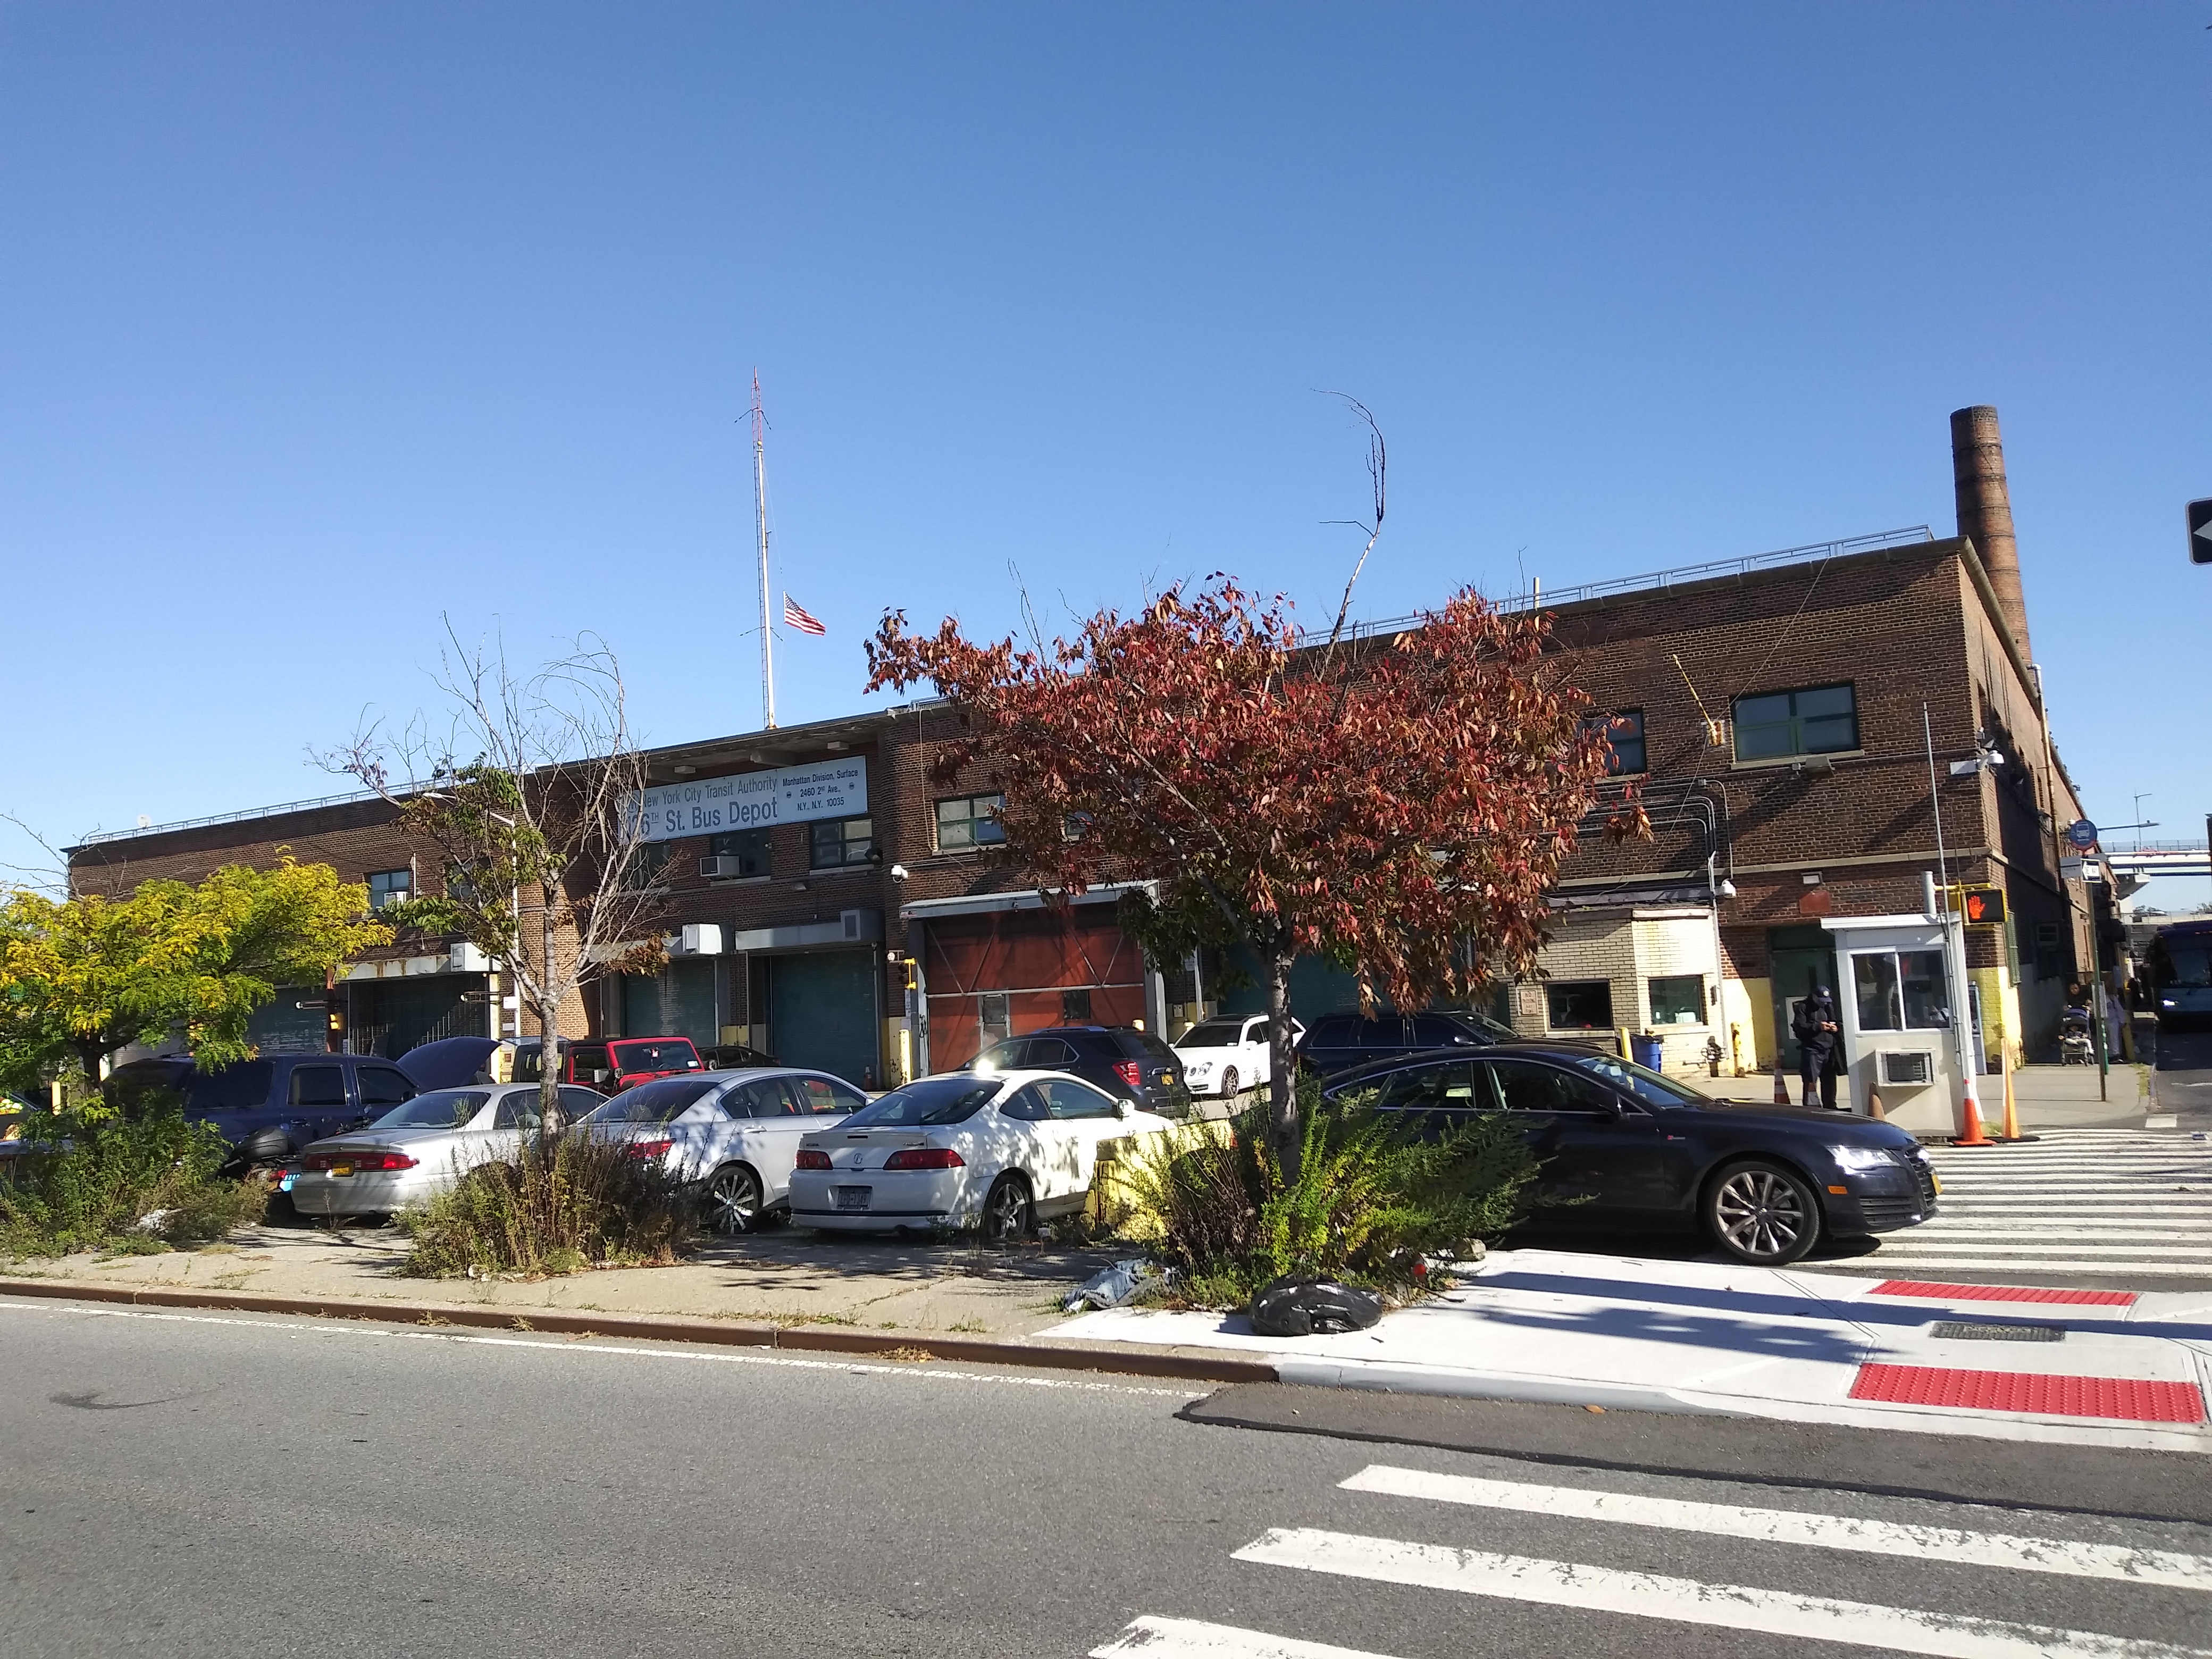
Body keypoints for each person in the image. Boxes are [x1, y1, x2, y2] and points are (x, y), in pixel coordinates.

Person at [1791, 985, 1842, 1110]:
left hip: (1829, 1050)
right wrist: (1819, 1027)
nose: (1823, 1004)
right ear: (1814, 997)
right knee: (1810, 1081)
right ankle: (1811, 1108)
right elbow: (1800, 1028)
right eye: (1821, 1001)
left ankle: (1830, 1107)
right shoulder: (1803, 1007)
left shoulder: (1828, 1006)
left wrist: (1836, 1028)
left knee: (1830, 1082)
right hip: (1812, 1050)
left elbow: (1837, 1021)